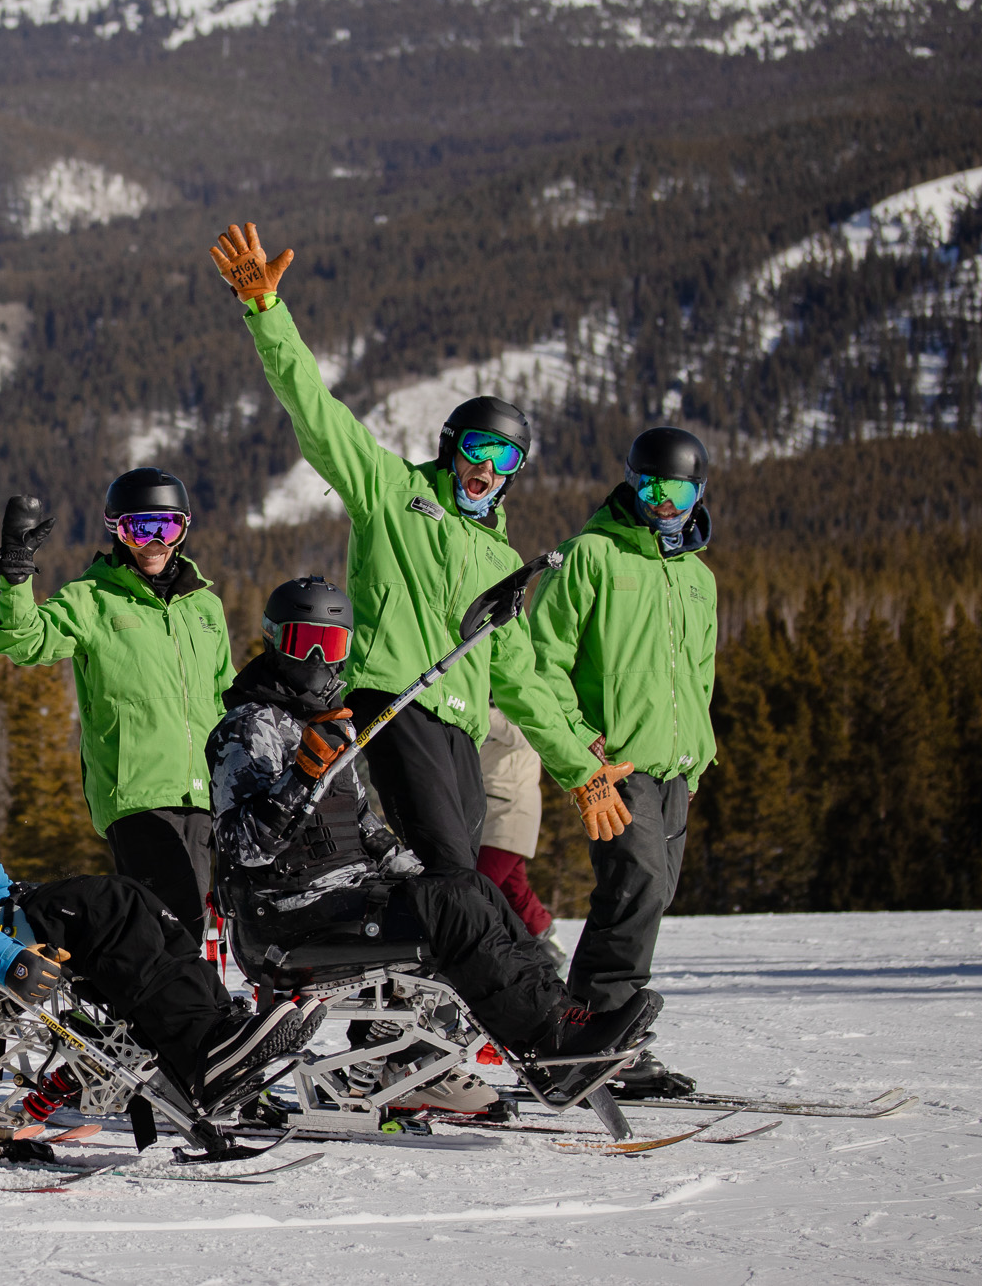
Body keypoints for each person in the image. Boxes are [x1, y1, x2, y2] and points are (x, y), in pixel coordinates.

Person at [209, 222, 631, 876]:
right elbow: (316, 411)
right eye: (476, 449)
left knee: (454, 869)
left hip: (462, 727)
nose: (485, 467)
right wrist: (266, 310)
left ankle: (423, 976)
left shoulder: (500, 561)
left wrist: (580, 768)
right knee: (449, 867)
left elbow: (520, 677)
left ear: (514, 471)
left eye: (504, 456)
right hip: (395, 700)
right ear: (451, 448)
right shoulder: (391, 491)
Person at [0, 606, 317, 1114]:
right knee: (109, 906)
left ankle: (219, 1035)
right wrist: (5, 957)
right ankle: (201, 1053)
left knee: (143, 905)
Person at [206, 577, 663, 1108]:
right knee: (453, 905)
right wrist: (302, 777)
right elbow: (243, 849)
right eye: (302, 640)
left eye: (330, 645)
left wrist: (421, 877)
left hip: (344, 900)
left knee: (470, 888)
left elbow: (364, 827)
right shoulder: (245, 728)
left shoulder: (329, 725)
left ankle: (558, 1019)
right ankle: (548, 1042)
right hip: (284, 918)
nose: (315, 658)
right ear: (274, 640)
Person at [529, 428, 717, 1098]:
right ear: (631, 483)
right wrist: (582, 744)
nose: (664, 503)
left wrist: (698, 761)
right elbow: (539, 659)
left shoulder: (698, 578)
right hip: (617, 764)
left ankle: (591, 1030)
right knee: (634, 887)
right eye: (652, 488)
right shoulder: (591, 557)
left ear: (699, 494)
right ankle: (600, 1031)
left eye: (679, 491)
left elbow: (698, 675)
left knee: (652, 893)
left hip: (675, 767)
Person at [0, 470, 235, 943]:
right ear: (116, 530)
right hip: (136, 792)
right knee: (173, 922)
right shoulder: (91, 598)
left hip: (204, 793)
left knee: (191, 925)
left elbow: (227, 696)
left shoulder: (206, 609)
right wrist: (16, 573)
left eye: (168, 526)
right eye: (139, 528)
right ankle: (183, 1014)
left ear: (184, 529)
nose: (155, 542)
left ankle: (184, 1010)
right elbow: (23, 641)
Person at [477, 708, 570, 972]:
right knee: (513, 888)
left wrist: (476, 703)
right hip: (498, 809)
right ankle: (548, 950)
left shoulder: (522, 717)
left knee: (479, 887)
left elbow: (514, 734)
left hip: (509, 812)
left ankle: (485, 952)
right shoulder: (504, 716)